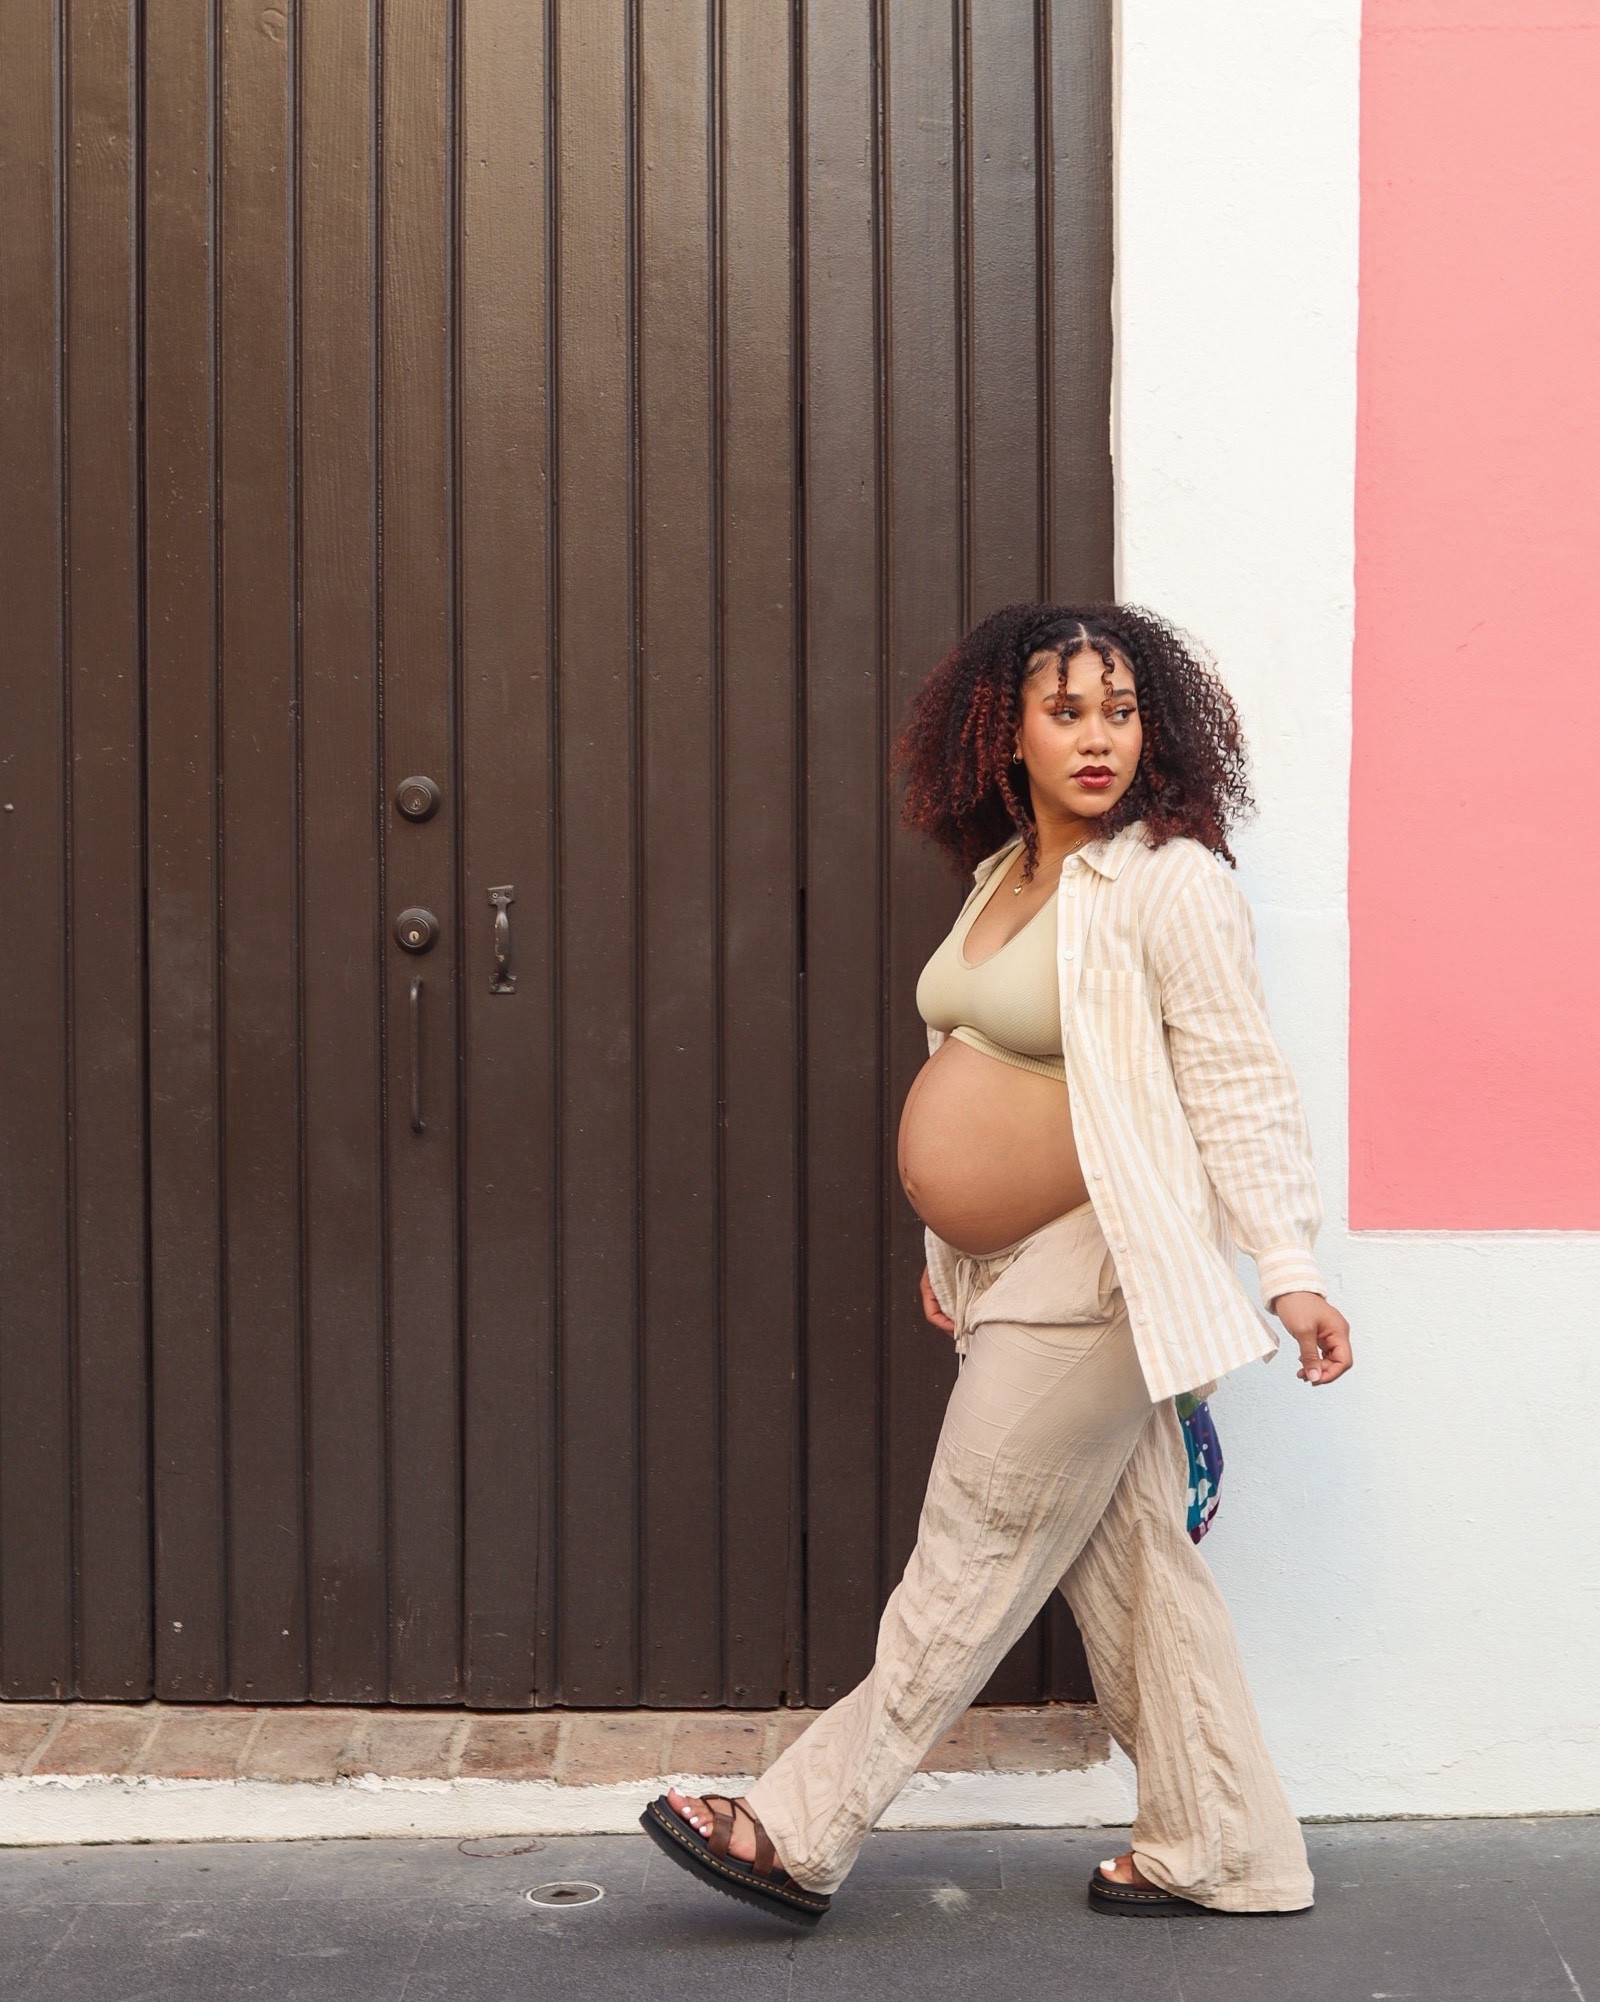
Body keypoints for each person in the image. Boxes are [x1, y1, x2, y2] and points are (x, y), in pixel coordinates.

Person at [641, 602, 1352, 1925]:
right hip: (1008, 1272)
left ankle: (797, 1828)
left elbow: (1238, 1081)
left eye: (1120, 709)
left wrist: (1288, 1263)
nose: (1098, 737)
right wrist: (950, 1241)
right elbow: (965, 1072)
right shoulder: (1002, 875)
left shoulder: (1168, 881)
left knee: (967, 1558)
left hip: (1096, 1278)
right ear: (1004, 731)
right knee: (1139, 1568)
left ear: (1158, 726)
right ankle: (1229, 1844)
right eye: (1066, 709)